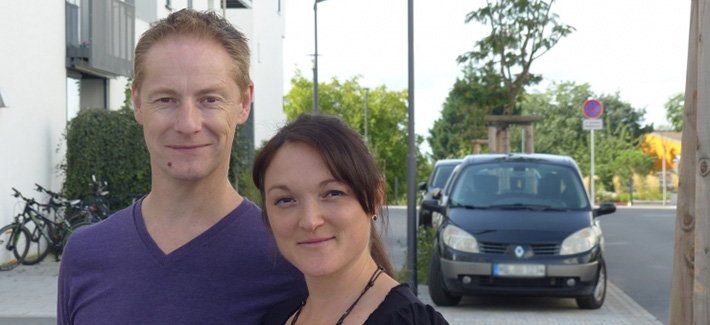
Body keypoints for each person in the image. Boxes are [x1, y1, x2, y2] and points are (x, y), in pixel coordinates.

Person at [57, 9, 307, 324]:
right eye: (166, 100)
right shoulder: (85, 255)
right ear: (137, 103)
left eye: (210, 99)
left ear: (244, 102)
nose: (188, 124)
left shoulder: (289, 260)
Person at [253, 114, 449, 324]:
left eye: (333, 193)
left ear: (375, 198)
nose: (310, 221)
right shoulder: (274, 319)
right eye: (285, 200)